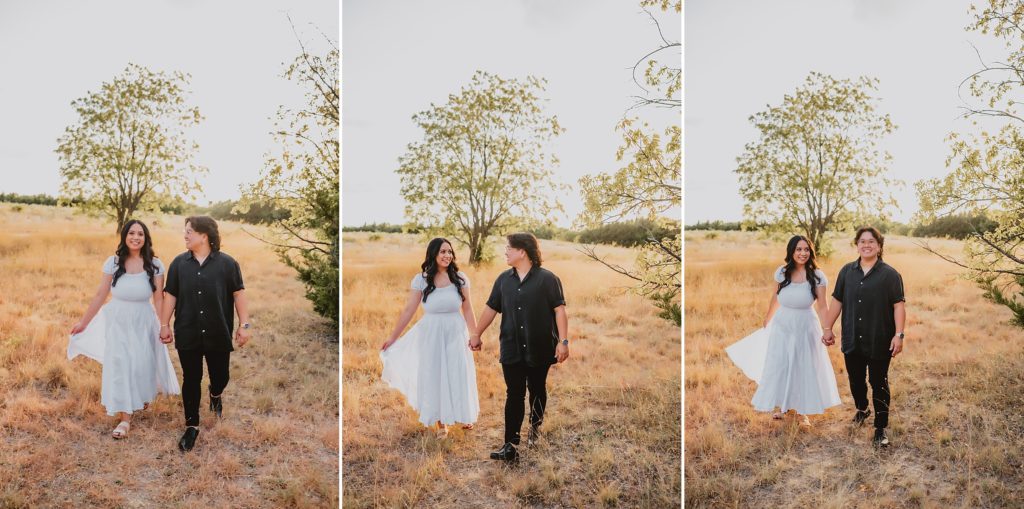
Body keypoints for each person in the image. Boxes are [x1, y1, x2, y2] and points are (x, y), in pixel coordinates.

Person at [68, 219, 181, 439]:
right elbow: (100, 294)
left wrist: (164, 325)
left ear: (146, 238)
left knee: (141, 364)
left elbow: (159, 299)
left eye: (140, 234)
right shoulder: (113, 262)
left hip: (143, 320)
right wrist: (83, 322)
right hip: (117, 321)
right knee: (121, 364)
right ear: (124, 236)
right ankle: (125, 419)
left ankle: (141, 397)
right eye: (131, 233)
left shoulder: (155, 265)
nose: (136, 237)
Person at [726, 235, 841, 426]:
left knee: (802, 365)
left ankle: (802, 411)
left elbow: (822, 306)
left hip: (805, 325)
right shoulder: (782, 272)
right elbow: (775, 297)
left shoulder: (818, 276)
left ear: (811, 252)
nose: (803, 253)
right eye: (798, 249)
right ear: (791, 251)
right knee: (782, 364)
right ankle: (784, 406)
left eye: (806, 249)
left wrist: (827, 328)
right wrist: (768, 318)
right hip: (782, 324)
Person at [159, 216, 251, 452]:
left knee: (221, 376)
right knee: (191, 378)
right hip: (187, 330)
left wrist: (244, 325)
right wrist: (164, 324)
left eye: (189, 231)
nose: (185, 235)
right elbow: (171, 295)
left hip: (218, 331)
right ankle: (192, 426)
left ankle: (215, 394)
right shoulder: (179, 264)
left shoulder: (228, 264)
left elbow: (238, 294)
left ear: (204, 235)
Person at [476, 233, 569, 462]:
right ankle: (511, 444)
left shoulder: (548, 279)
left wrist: (563, 341)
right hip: (511, 346)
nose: (505, 251)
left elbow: (559, 310)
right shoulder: (503, 280)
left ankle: (535, 429)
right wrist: (477, 333)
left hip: (540, 346)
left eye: (509, 247)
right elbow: (491, 308)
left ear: (522, 251)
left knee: (537, 389)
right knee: (514, 393)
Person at [380, 238, 480, 437]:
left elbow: (467, 308)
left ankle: (464, 414)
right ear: (433, 254)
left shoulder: (460, 278)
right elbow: (409, 310)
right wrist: (393, 337)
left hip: (455, 331)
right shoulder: (421, 280)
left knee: (458, 372)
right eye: (443, 251)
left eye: (449, 252)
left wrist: (475, 334)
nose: (447, 255)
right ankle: (442, 424)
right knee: (435, 375)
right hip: (431, 333)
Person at [822, 226, 905, 447]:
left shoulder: (890, 275)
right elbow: (837, 301)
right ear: (857, 245)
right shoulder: (846, 272)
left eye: (871, 241)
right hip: (853, 337)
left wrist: (899, 335)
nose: (866, 245)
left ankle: (880, 428)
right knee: (855, 379)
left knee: (878, 382)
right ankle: (862, 408)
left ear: (879, 246)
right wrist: (827, 327)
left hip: (879, 339)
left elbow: (898, 306)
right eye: (862, 241)